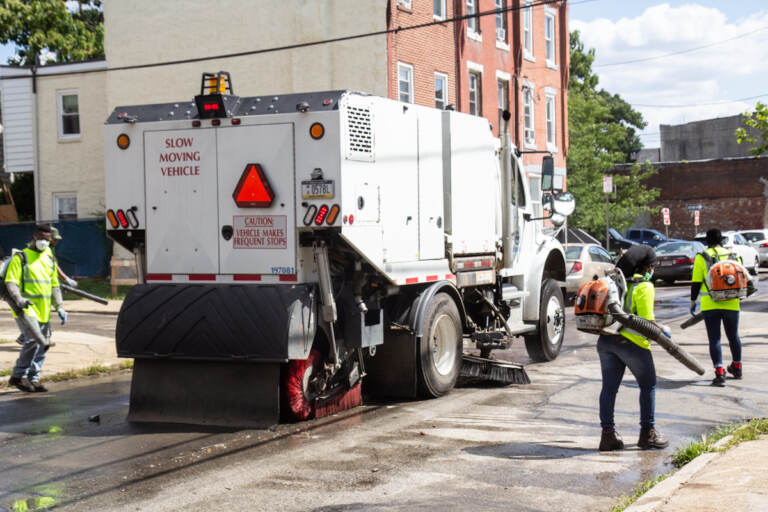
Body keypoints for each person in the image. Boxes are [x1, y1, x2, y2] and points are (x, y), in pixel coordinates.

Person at [598, 245, 669, 451]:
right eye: (653, 266)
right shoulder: (644, 287)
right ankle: (648, 434)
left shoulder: (616, 283)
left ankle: (607, 435)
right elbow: (646, 323)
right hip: (632, 344)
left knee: (609, 389)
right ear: (647, 267)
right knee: (648, 386)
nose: (654, 270)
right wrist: (662, 329)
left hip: (606, 340)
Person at [4, 224, 67, 393]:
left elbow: (54, 285)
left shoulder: (49, 258)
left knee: (43, 344)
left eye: (47, 240)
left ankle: (34, 378)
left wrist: (60, 306)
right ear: (34, 237)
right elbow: (11, 282)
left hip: (44, 309)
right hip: (25, 309)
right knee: (32, 340)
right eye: (40, 239)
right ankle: (18, 376)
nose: (43, 242)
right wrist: (19, 300)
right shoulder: (21, 257)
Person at [690, 228, 742, 387]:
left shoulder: (702, 257)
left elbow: (696, 283)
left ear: (707, 241)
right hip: (732, 302)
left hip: (710, 304)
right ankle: (737, 367)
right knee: (733, 336)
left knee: (715, 338)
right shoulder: (733, 255)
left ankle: (719, 372)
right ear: (722, 240)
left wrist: (693, 302)